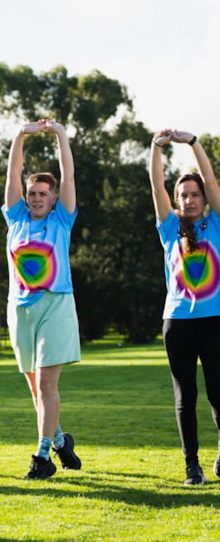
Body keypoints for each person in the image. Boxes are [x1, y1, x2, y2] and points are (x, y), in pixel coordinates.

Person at [3, 119, 82, 480]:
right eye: (31, 192)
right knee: (36, 387)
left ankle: (42, 457)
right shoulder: (15, 217)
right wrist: (21, 134)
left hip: (56, 304)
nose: (35, 198)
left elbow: (68, 177)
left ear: (52, 199)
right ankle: (61, 440)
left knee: (48, 384)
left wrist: (61, 135)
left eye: (41, 194)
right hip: (19, 309)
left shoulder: (62, 221)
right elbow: (13, 172)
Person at [150, 128, 220, 485]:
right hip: (177, 322)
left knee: (218, 395)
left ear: (204, 199)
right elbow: (155, 183)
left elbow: (208, 176)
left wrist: (193, 144)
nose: (190, 200)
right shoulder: (169, 228)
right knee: (185, 396)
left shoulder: (217, 223)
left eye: (195, 195)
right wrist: (156, 148)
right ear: (176, 201)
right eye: (183, 196)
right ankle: (192, 466)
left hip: (215, 322)